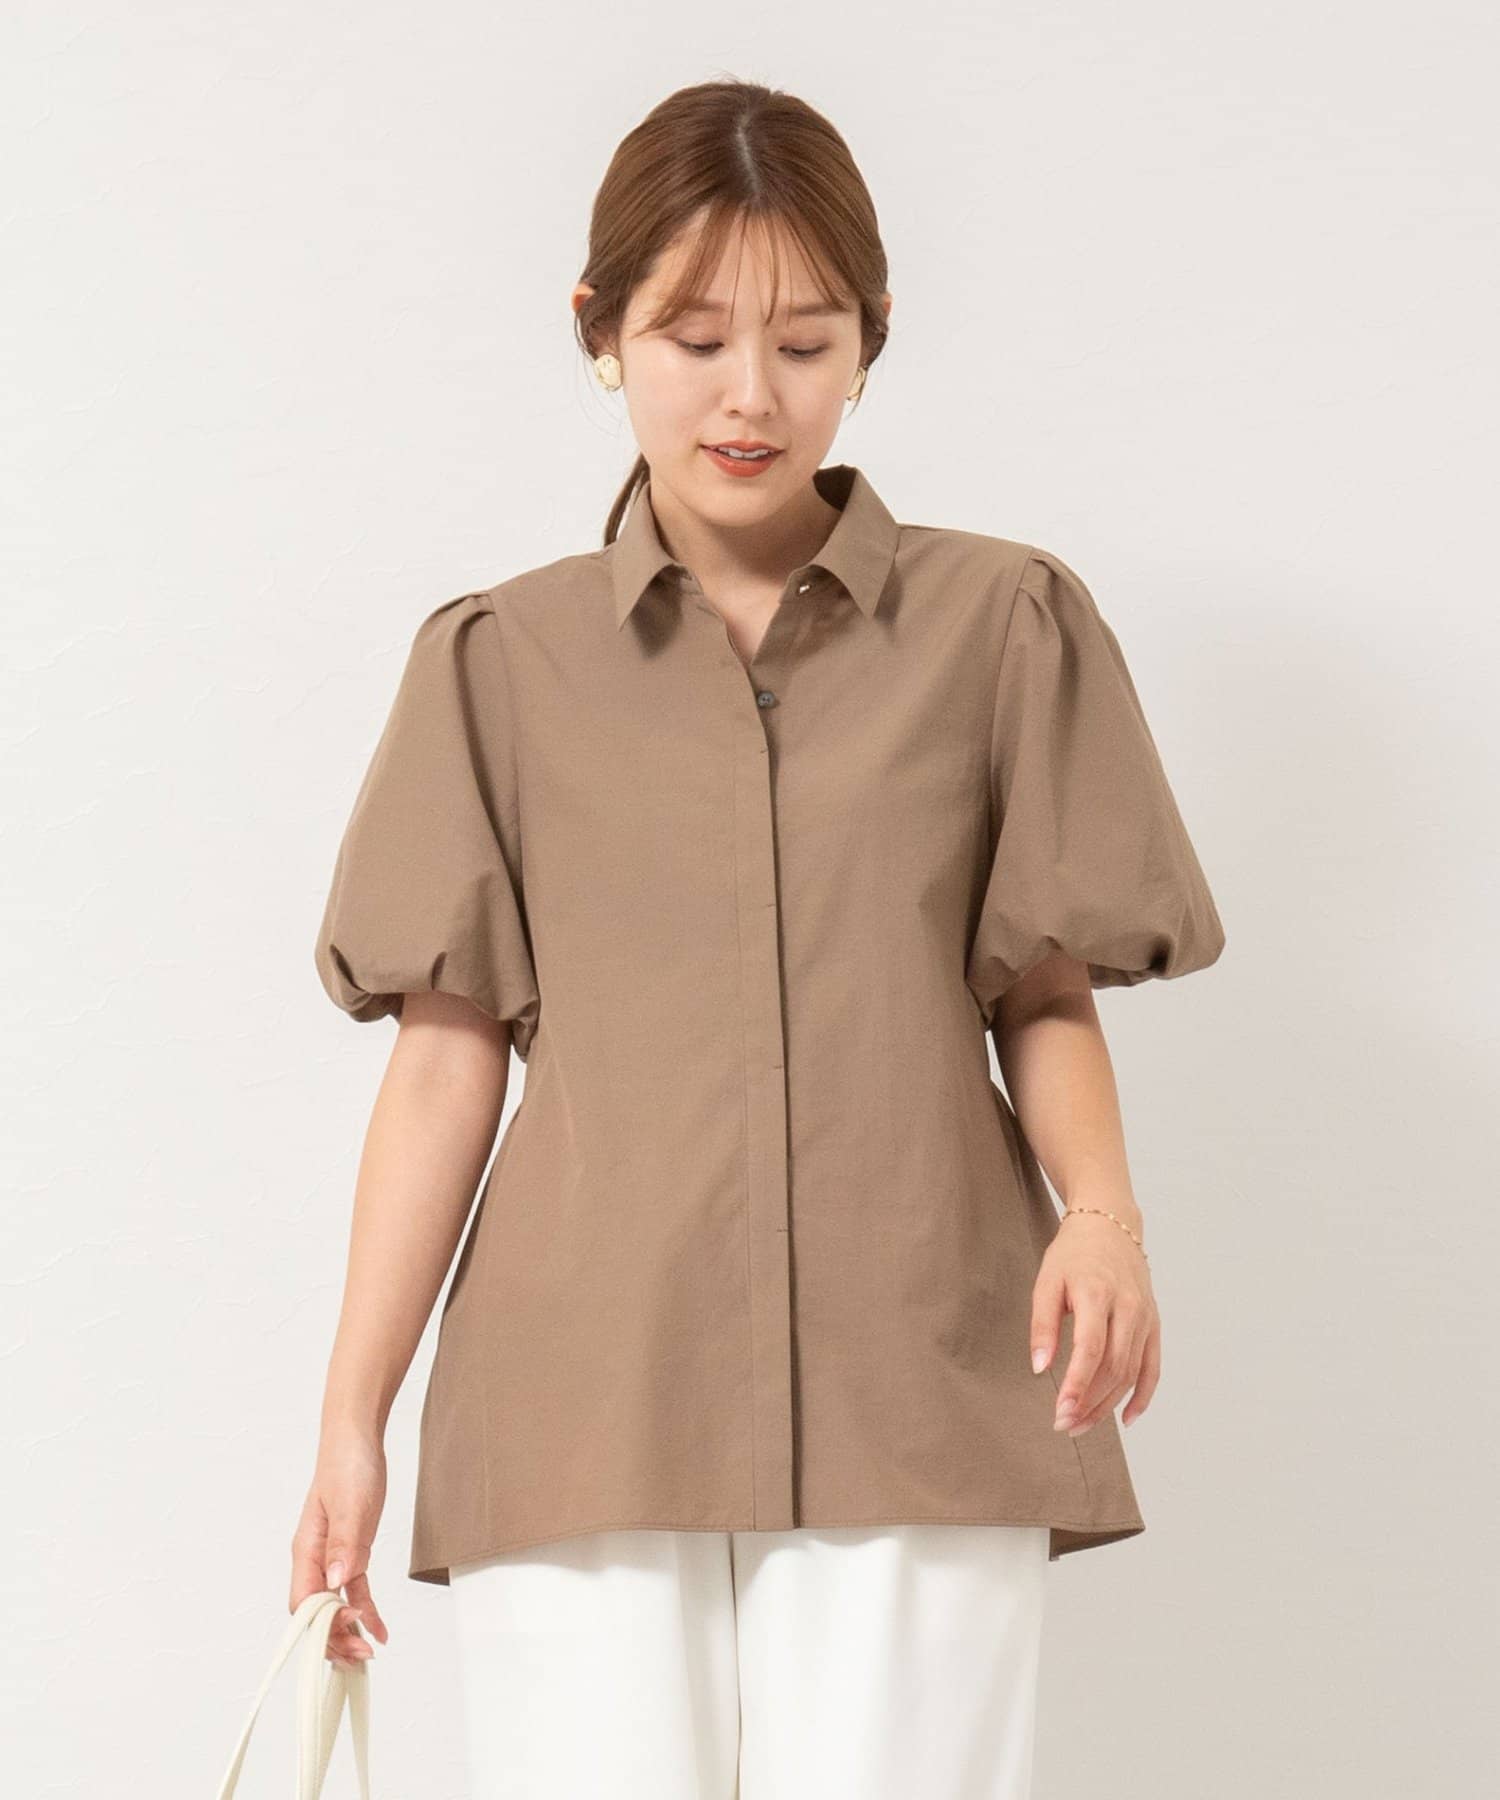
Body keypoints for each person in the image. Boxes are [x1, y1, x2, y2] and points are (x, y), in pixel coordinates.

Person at [290, 78, 1226, 1800]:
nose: (749, 395)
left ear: (870, 341)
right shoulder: (495, 664)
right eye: (694, 336)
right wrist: (353, 1420)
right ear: (600, 331)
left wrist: (1103, 1218)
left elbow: (1041, 987)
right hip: (581, 1395)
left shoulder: (1003, 625)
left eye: (804, 343)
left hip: (925, 1372)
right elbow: (443, 1065)